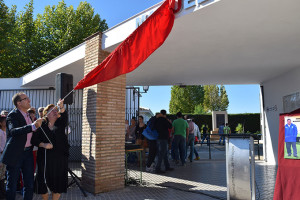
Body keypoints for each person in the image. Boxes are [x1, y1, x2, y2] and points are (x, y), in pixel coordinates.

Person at [0, 92, 43, 200]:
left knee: (29, 183)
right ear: (19, 103)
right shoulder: (12, 115)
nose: (29, 100)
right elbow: (13, 131)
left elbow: (32, 132)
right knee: (12, 184)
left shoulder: (28, 115)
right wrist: (32, 126)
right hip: (15, 153)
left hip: (28, 152)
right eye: (26, 98)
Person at [31, 99, 68, 200]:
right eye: (53, 110)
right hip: (45, 158)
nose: (55, 111)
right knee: (43, 181)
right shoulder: (41, 126)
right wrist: (43, 144)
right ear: (46, 114)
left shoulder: (60, 123)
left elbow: (65, 116)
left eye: (56, 110)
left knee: (58, 182)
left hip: (60, 158)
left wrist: (61, 106)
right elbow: (34, 140)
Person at [0, 115, 7, 198]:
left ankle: (3, 192)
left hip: (4, 155)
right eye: (4, 121)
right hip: (1, 154)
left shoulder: (6, 131)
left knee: (2, 175)